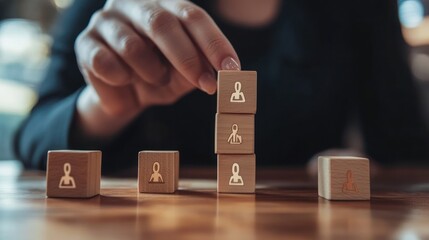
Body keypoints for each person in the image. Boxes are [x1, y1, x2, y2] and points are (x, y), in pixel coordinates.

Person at [14, 0, 429, 174]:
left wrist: (356, 165)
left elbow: (405, 149)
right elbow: (31, 140)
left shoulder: (361, 7)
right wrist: (104, 106)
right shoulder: (121, 5)